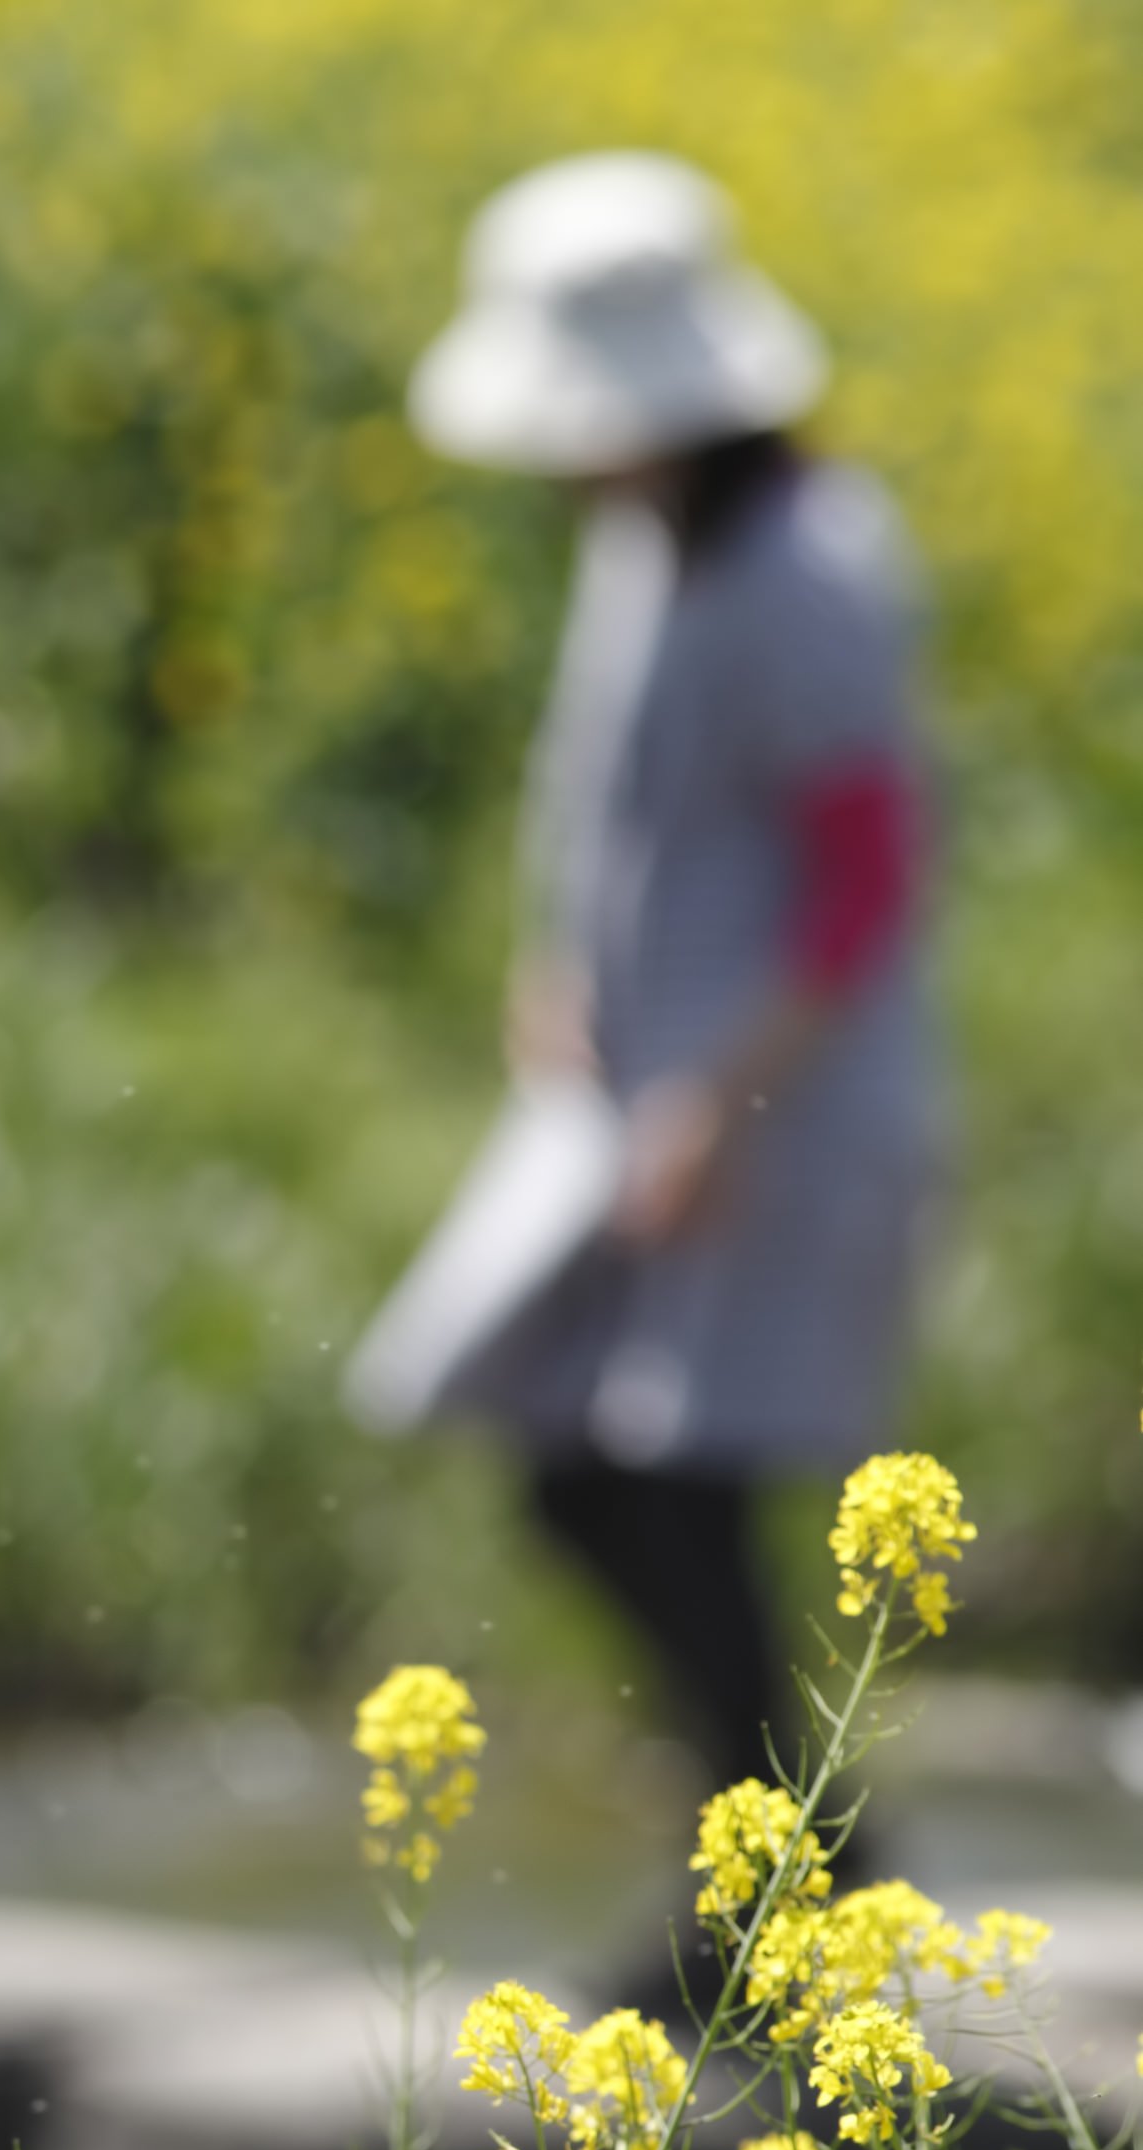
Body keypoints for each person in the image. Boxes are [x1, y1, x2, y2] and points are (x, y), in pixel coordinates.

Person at [393, 154, 941, 1819]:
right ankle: (779, 1866)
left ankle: (793, 1878)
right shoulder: (657, 540)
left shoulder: (807, 570)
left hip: (768, 1109)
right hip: (638, 1108)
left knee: (660, 1489)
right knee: (578, 1466)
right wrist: (553, 971)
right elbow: (617, 805)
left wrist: (722, 1093)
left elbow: (866, 873)